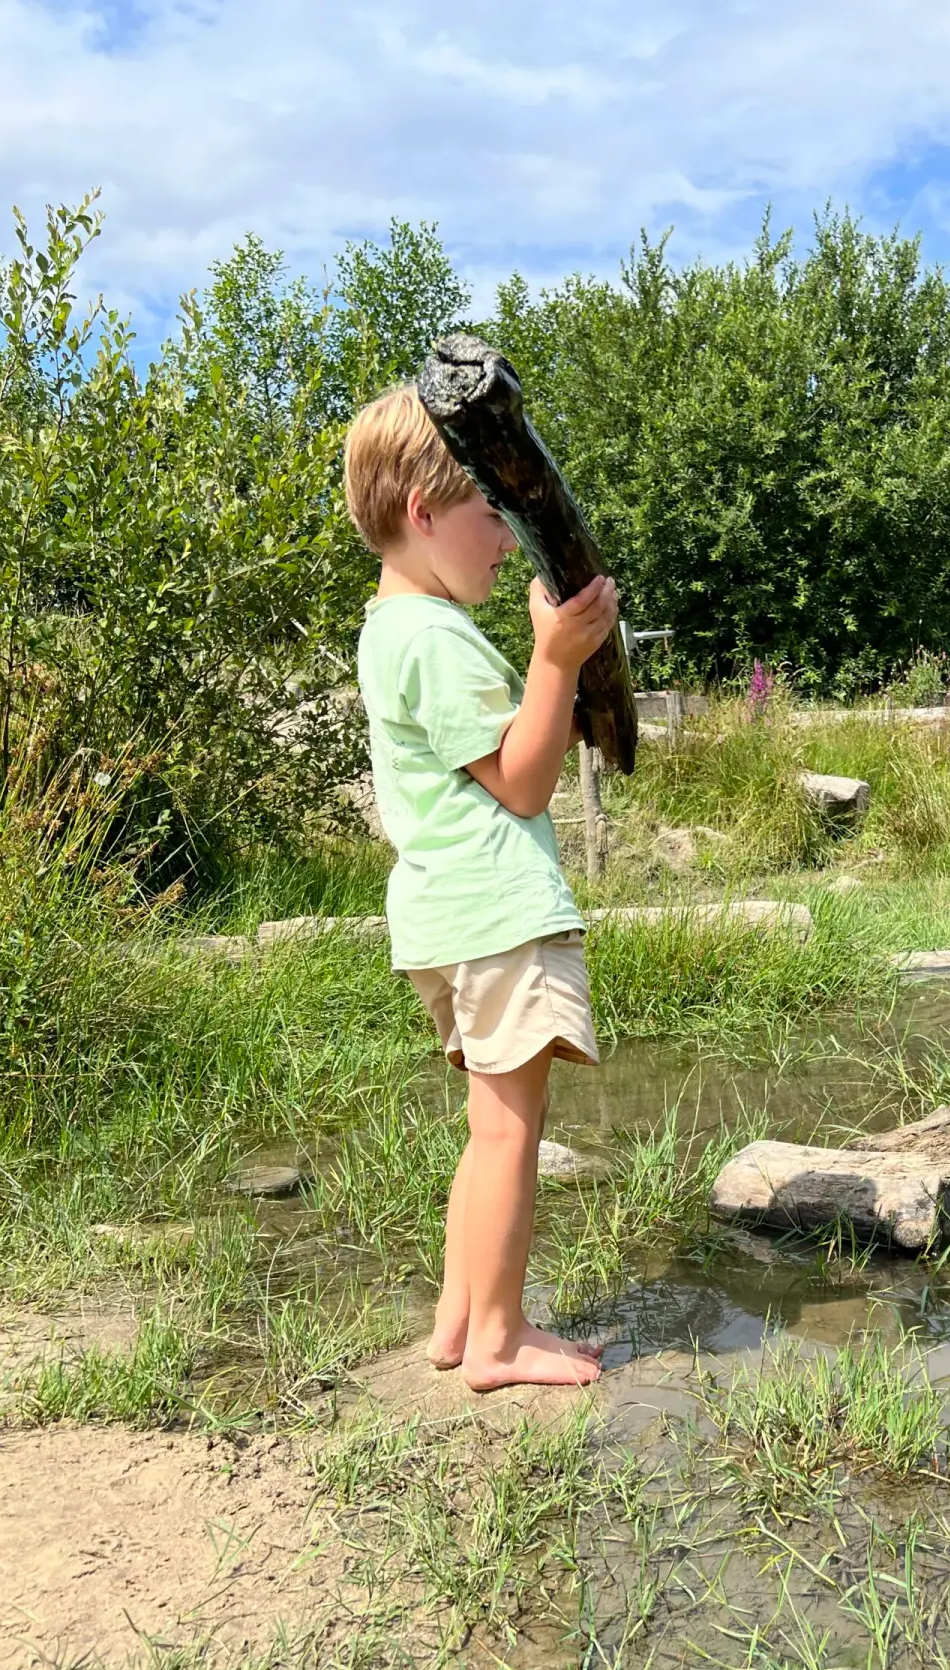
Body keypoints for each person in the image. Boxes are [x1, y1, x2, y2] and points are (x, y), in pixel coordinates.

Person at [345, 384, 615, 1390]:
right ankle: (500, 1342)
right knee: (511, 1134)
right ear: (423, 510)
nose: (507, 537)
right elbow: (525, 779)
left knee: (484, 1130)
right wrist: (557, 660)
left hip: (443, 918)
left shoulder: (392, 630)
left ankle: (460, 1320)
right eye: (489, 512)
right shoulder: (436, 638)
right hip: (496, 915)